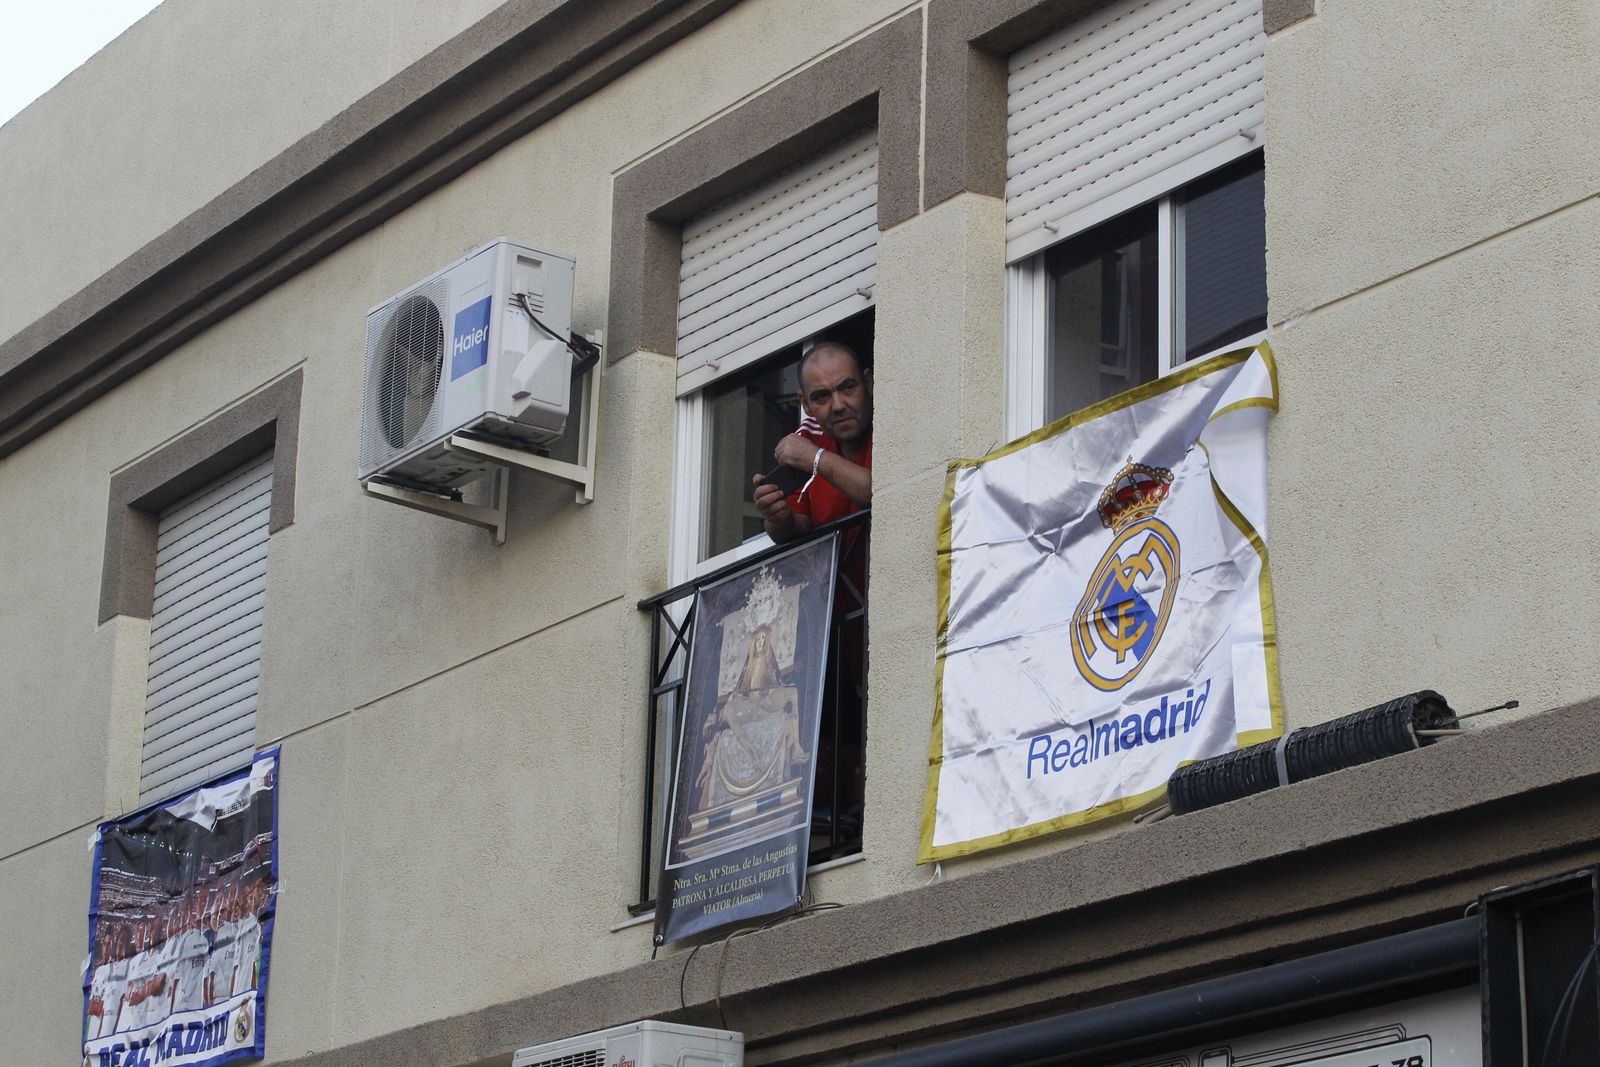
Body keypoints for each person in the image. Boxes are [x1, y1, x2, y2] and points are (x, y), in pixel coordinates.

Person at [752, 342, 872, 541]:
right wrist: (777, 516)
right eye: (821, 397)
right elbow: (794, 530)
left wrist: (816, 458)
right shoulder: (809, 437)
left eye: (848, 388)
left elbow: (882, 491)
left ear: (868, 382)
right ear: (805, 404)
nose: (838, 406)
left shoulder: (892, 423)